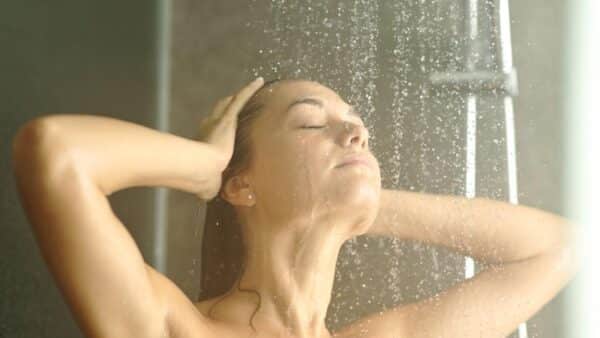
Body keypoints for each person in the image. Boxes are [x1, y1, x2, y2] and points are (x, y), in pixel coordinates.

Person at [11, 77, 578, 338]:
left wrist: (363, 204)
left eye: (356, 123)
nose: (354, 130)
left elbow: (563, 247)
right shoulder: (172, 327)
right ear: (242, 186)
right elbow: (57, 154)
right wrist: (205, 165)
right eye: (311, 122)